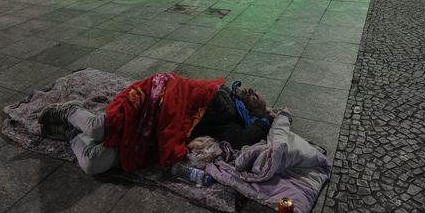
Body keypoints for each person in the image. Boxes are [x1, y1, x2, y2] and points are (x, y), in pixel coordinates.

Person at [38, 75, 275, 175]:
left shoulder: (232, 123)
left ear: (252, 115)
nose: (251, 91)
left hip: (157, 131)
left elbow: (242, 139)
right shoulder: (219, 90)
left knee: (93, 163)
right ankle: (69, 110)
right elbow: (184, 91)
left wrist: (266, 122)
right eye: (254, 91)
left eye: (255, 97)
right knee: (97, 129)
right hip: (156, 96)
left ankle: (69, 131)